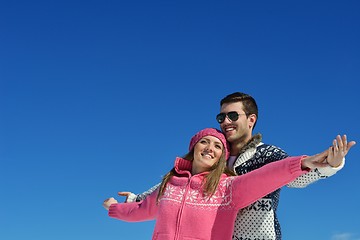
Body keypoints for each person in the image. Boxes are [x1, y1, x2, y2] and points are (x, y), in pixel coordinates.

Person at [119, 92, 356, 240]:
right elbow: (177, 187)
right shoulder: (213, 158)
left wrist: (328, 167)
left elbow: (291, 175)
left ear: (251, 119)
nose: (226, 122)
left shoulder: (266, 154)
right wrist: (136, 198)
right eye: (221, 117)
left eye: (233, 116)